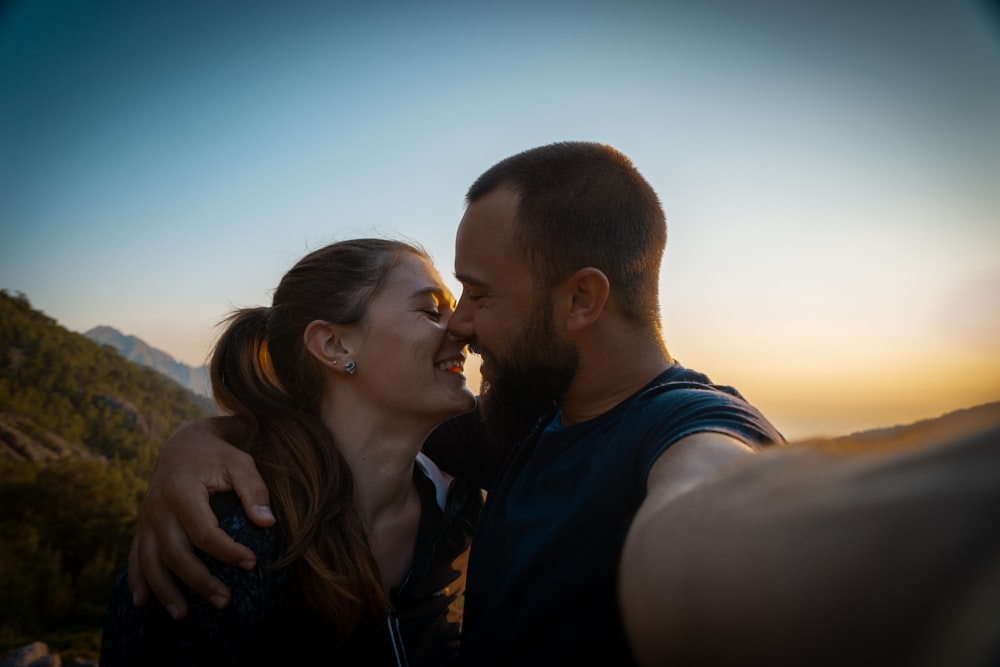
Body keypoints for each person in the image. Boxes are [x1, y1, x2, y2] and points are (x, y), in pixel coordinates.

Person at [125, 142, 1000, 664]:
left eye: (473, 294)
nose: (462, 326)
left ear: (580, 301)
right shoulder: (510, 425)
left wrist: (935, 544)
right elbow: (324, 431)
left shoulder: (678, 432)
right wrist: (199, 441)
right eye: (441, 301)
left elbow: (705, 505)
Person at [100, 238, 484, 666]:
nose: (464, 328)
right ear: (335, 346)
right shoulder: (228, 536)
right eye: (432, 311)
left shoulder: (462, 500)